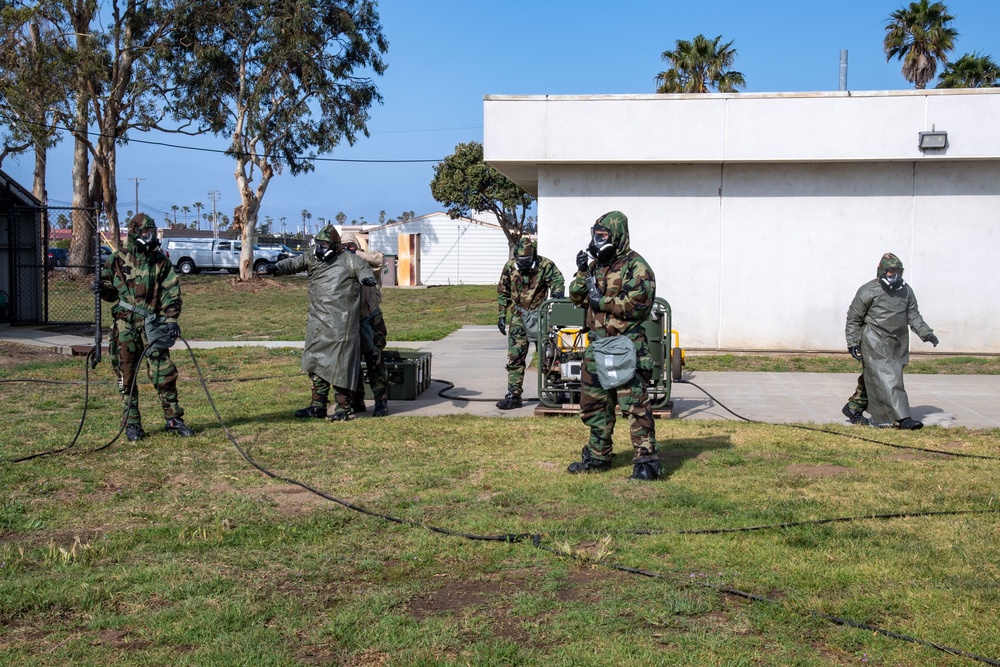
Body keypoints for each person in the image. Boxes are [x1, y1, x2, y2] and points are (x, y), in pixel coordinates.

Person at [566, 211, 661, 480]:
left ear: (617, 235)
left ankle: (647, 462)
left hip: (626, 347)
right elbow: (575, 295)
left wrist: (602, 303)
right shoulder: (596, 266)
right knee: (594, 406)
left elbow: (638, 306)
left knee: (634, 406)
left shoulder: (636, 266)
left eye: (603, 235)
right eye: (595, 235)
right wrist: (583, 270)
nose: (597, 240)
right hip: (597, 347)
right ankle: (598, 456)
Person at [95, 213, 194, 441]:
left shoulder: (160, 262)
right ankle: (132, 423)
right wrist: (102, 289)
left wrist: (171, 320)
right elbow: (111, 291)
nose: (149, 237)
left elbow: (171, 291)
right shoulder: (116, 260)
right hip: (125, 325)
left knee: (164, 371)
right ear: (134, 234)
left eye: (152, 232)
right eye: (145, 233)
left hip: (152, 323)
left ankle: (173, 418)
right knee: (125, 373)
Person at [263, 225, 376, 421]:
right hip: (318, 322)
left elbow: (364, 268)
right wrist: (276, 268)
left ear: (334, 245)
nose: (321, 248)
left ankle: (343, 407)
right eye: (318, 244)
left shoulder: (349, 260)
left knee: (341, 367)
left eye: (324, 244)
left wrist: (367, 279)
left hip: (342, 325)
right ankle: (317, 406)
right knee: (316, 365)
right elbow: (293, 264)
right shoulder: (312, 258)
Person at [843, 252, 939, 430]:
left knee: (875, 378)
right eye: (890, 272)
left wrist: (926, 333)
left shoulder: (906, 291)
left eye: (898, 272)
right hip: (874, 341)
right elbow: (854, 318)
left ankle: (853, 407)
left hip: (897, 342)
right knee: (889, 379)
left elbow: (913, 315)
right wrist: (853, 341)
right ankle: (902, 419)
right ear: (881, 271)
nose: (894, 276)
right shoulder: (868, 290)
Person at [495, 236, 565, 409]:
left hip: (539, 315)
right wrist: (501, 315)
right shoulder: (510, 267)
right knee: (515, 357)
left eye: (527, 260)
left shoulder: (545, 265)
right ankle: (514, 394)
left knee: (548, 355)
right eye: (521, 260)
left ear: (533, 256)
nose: (524, 264)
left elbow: (557, 279)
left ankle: (554, 391)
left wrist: (557, 291)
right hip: (518, 317)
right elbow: (503, 291)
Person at [341, 231, 390, 417]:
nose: (347, 251)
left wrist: (355, 253)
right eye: (343, 247)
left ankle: (381, 402)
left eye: (350, 246)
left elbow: (380, 260)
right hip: (350, 320)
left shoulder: (367, 260)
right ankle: (356, 401)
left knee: (374, 361)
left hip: (371, 318)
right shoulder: (340, 263)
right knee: (352, 363)